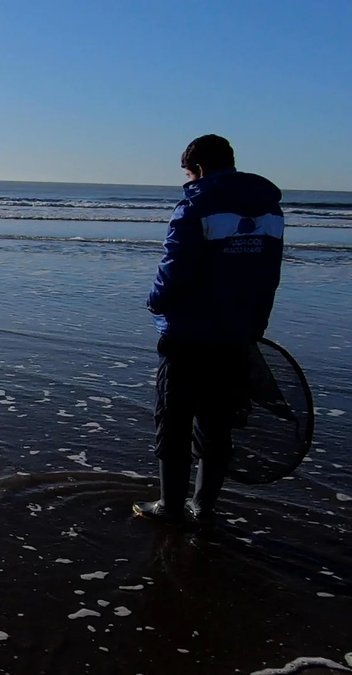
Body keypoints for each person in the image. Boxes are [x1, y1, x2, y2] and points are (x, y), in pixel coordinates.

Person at [134, 134, 285, 524]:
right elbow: (269, 275)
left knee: (174, 418)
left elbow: (175, 269)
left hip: (188, 333)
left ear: (197, 168)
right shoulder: (270, 209)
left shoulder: (196, 206)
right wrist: (255, 324)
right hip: (237, 332)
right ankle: (204, 507)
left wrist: (155, 302)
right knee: (218, 421)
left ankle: (170, 506)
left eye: (187, 173)